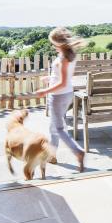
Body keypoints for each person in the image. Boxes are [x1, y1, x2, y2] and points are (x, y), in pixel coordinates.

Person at [35, 27, 85, 172]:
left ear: (59, 43)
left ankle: (77, 152)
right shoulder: (71, 55)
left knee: (59, 128)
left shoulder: (63, 58)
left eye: (54, 43)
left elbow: (62, 82)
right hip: (67, 94)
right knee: (54, 126)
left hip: (58, 96)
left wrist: (45, 90)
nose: (53, 46)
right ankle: (52, 155)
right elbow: (65, 78)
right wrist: (50, 78)